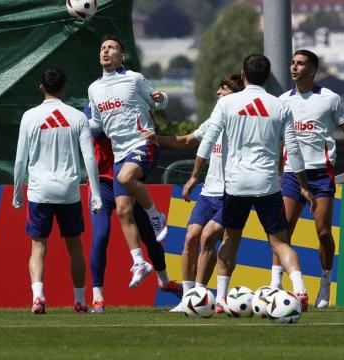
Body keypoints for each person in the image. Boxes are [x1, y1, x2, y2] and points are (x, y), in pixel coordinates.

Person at [184, 54, 313, 313]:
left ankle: (220, 299)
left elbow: (207, 142)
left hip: (235, 184)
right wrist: (303, 185)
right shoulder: (280, 106)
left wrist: (194, 176)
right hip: (267, 184)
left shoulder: (227, 103)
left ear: (243, 74)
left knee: (230, 238)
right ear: (267, 77)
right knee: (279, 242)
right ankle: (299, 288)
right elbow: (293, 149)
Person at [145, 74, 244, 313]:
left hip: (232, 193)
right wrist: (158, 139)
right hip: (208, 192)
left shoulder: (244, 123)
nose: (219, 93)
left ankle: (203, 296)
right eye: (219, 89)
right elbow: (188, 139)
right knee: (191, 238)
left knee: (209, 238)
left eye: (224, 89)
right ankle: (188, 297)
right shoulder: (214, 120)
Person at [273, 49, 344, 309]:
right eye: (292, 63)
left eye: (300, 64)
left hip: (321, 174)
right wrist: (276, 169)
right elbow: (278, 140)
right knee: (282, 232)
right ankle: (276, 286)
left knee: (322, 232)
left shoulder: (330, 98)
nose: (293, 67)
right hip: (290, 174)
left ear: (312, 70)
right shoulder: (282, 101)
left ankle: (324, 283)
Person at [13, 68, 102, 314]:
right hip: (69, 193)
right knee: (74, 247)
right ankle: (79, 300)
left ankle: (38, 297)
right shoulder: (77, 117)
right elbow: (89, 159)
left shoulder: (29, 117)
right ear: (65, 88)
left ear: (42, 88)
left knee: (38, 247)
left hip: (39, 192)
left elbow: (20, 160)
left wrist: (17, 192)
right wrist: (95, 193)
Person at [88, 35, 169, 288]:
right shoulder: (94, 88)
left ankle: (156, 216)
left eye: (111, 47)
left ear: (121, 55)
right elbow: (97, 125)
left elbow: (161, 100)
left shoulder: (134, 78)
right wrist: (79, 124)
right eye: (102, 48)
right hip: (120, 153)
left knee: (125, 178)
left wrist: (161, 97)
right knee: (124, 211)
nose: (105, 51)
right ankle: (139, 261)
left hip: (144, 144)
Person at [85, 105, 182, 314]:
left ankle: (164, 281)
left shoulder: (131, 103)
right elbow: (96, 131)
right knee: (100, 235)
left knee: (149, 233)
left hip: (124, 181)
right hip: (100, 183)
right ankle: (97, 297)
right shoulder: (93, 105)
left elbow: (148, 132)